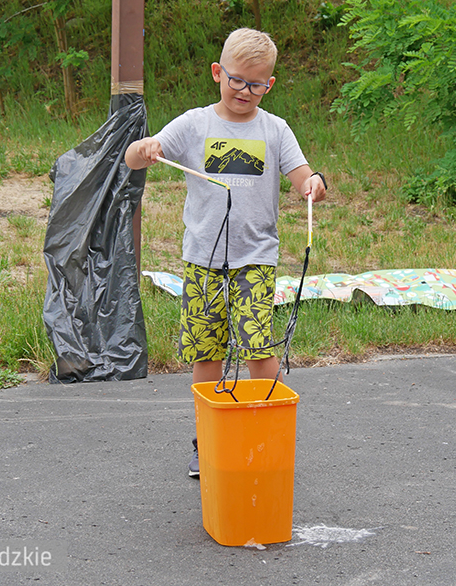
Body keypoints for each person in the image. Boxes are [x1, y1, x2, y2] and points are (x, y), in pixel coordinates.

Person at [125, 27, 327, 477]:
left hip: (256, 259)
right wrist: (145, 147)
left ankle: (269, 439)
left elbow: (304, 178)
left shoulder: (275, 129)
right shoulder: (195, 124)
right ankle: (209, 444)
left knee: (259, 346)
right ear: (218, 73)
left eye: (256, 84)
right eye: (236, 80)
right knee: (207, 353)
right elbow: (133, 159)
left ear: (269, 84)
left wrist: (314, 184)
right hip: (203, 261)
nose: (244, 91)